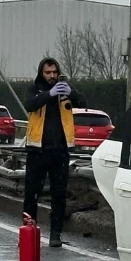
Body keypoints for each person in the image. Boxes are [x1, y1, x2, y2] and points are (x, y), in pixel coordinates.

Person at [23, 58, 85, 247]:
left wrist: (71, 92)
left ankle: (55, 234)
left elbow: (83, 102)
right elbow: (29, 104)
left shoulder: (65, 90)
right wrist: (49, 94)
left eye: (54, 72)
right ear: (41, 73)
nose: (52, 76)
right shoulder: (35, 89)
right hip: (37, 150)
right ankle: (28, 233)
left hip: (60, 151)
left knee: (59, 195)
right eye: (48, 73)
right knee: (31, 194)